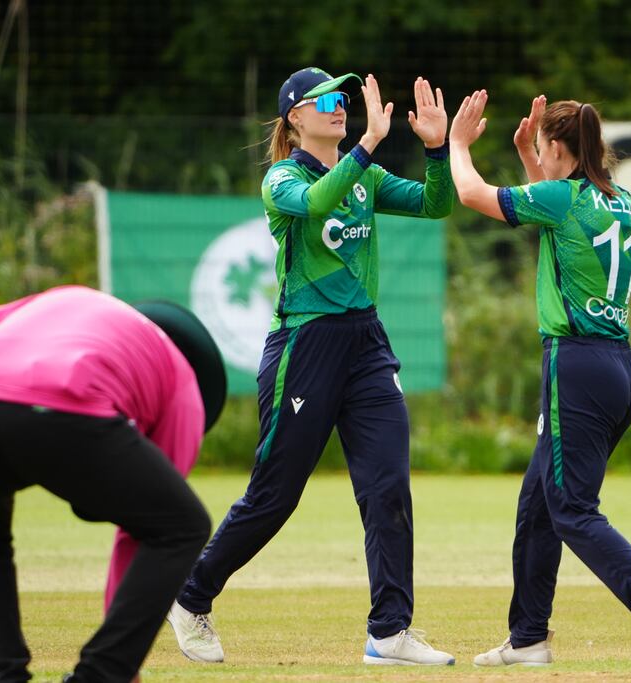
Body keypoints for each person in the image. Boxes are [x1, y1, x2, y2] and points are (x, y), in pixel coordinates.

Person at [166, 67, 456, 666]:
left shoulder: (364, 174)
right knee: (275, 495)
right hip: (305, 346)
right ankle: (189, 595)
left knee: (388, 487)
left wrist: (436, 147)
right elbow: (320, 199)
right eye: (324, 100)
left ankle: (390, 632)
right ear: (295, 117)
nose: (339, 106)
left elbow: (436, 204)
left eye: (341, 98)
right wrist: (371, 143)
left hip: (367, 344)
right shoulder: (282, 177)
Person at [448, 90, 631, 666]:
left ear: (559, 148)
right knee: (538, 506)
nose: (539, 154)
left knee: (570, 509)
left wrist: (457, 146)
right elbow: (557, 203)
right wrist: (529, 156)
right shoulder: (618, 199)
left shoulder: (562, 199)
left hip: (577, 365)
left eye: (543, 146)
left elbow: (471, 192)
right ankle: (528, 640)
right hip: (617, 367)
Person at [0, 285, 226, 683]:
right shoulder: (182, 381)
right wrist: (122, 665)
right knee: (183, 526)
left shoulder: (69, 303)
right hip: (64, 399)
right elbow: (145, 532)